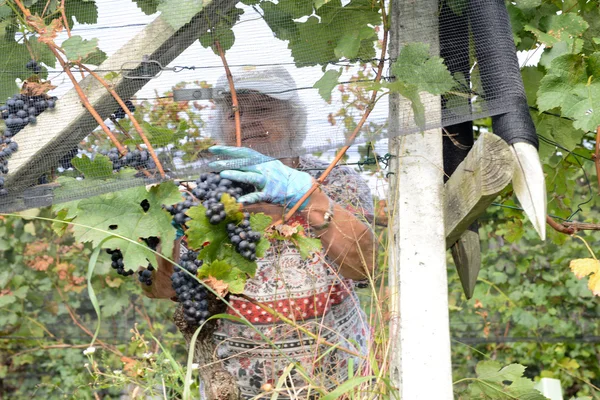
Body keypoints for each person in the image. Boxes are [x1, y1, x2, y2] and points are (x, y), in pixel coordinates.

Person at [145, 67, 377, 399]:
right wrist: (166, 242)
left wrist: (307, 198)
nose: (248, 120)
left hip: (340, 381)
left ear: (293, 120)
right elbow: (161, 289)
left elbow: (365, 266)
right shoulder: (198, 196)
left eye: (263, 109)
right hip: (236, 389)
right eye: (234, 112)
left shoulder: (335, 181)